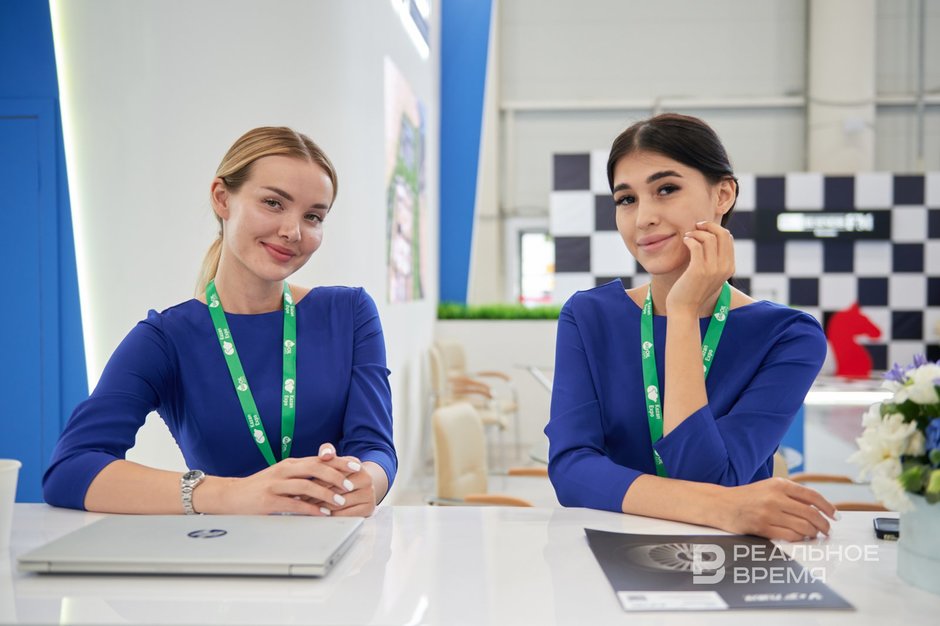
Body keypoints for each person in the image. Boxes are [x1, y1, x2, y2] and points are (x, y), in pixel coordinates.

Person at [44, 127, 396, 517]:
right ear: (222, 198)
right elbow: (70, 469)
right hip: (222, 547)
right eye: (273, 203)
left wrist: (367, 481)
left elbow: (374, 447)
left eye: (313, 216)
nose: (292, 231)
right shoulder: (166, 339)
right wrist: (235, 494)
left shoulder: (349, 313)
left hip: (337, 542)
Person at [546, 113, 837, 541]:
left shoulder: (789, 336)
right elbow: (571, 470)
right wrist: (722, 507)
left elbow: (708, 476)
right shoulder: (589, 317)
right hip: (603, 556)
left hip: (727, 560)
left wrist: (682, 312)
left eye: (666, 189)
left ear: (723, 194)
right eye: (626, 199)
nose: (643, 217)